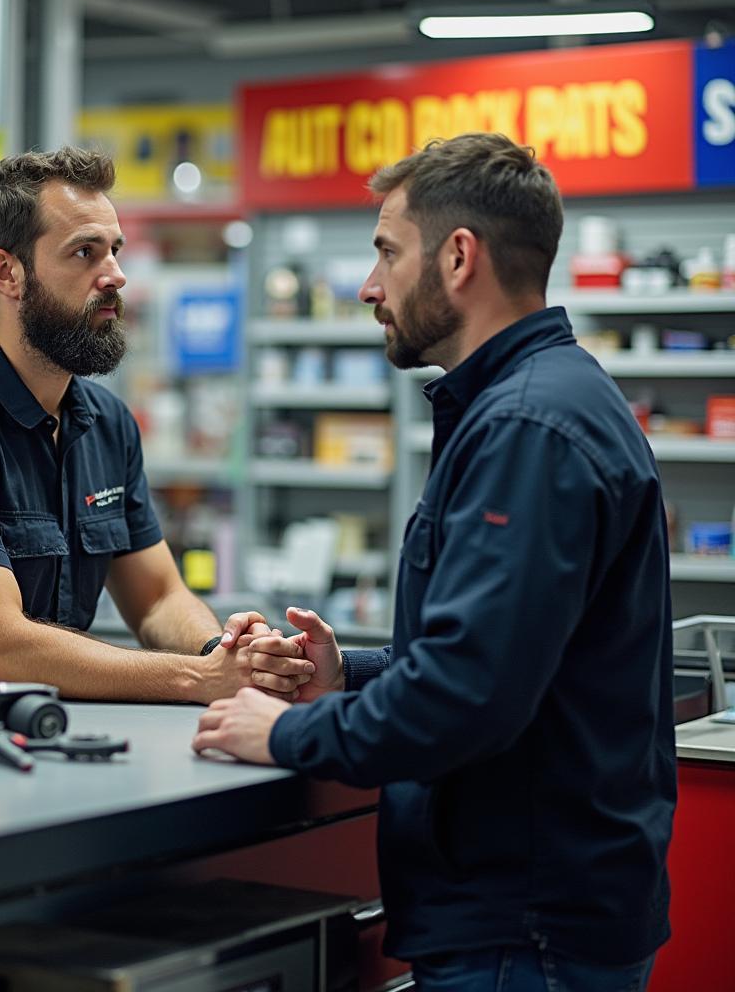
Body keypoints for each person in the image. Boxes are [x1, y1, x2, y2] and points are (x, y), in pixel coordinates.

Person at [193, 132, 675, 991]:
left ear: (459, 257)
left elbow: (470, 695)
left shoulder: (527, 426)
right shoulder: (541, 400)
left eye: (385, 251)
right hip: (539, 916)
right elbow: (519, 654)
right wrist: (354, 677)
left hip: (523, 927)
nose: (370, 286)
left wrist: (290, 733)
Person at [0, 147, 311, 706]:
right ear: (7, 272)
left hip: (34, 741)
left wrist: (219, 652)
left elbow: (156, 598)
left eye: (114, 250)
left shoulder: (107, 423)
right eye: (85, 253)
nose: (116, 275)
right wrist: (200, 680)